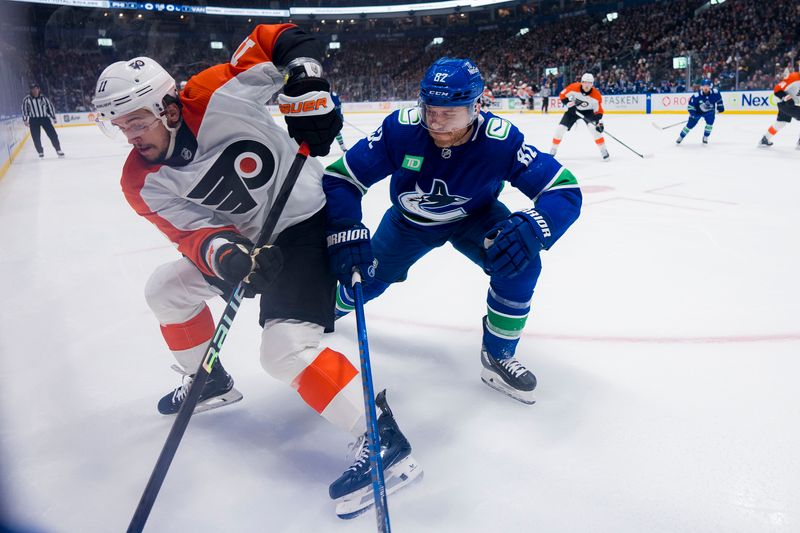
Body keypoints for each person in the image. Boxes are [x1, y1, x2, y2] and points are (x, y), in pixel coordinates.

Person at [91, 23, 420, 518]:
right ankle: (210, 381)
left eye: (136, 121)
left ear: (170, 108)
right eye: (121, 127)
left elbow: (276, 37)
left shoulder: (215, 91)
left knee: (284, 349)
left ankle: (381, 437)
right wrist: (226, 254)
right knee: (166, 290)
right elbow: (190, 234)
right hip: (246, 242)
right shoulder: (140, 181)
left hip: (305, 222)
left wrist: (306, 79)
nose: (130, 137)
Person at [322, 57, 582, 405]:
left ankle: (498, 354)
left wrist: (535, 227)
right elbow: (342, 178)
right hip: (408, 222)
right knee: (365, 278)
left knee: (521, 261)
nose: (436, 121)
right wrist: (346, 225)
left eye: (450, 112)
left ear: (477, 105)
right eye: (430, 109)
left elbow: (563, 188)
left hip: (475, 216)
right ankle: (331, 309)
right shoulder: (401, 129)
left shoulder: (500, 141)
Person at [550, 73, 609, 160]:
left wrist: (600, 123)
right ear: (581, 82)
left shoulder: (596, 95)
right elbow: (562, 95)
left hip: (588, 112)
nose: (587, 85)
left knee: (594, 130)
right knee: (560, 129)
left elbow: (598, 111)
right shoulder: (573, 87)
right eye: (585, 82)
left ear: (592, 84)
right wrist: (568, 104)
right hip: (573, 111)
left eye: (589, 83)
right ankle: (553, 149)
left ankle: (603, 150)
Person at [759, 68, 800, 149]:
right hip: (785, 103)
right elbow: (777, 90)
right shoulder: (793, 77)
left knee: (781, 122)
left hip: (789, 104)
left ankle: (765, 139)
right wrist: (787, 98)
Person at [675, 79, 725, 145]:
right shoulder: (696, 96)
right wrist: (692, 114)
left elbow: (719, 100)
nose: (705, 88)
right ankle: (681, 136)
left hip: (709, 112)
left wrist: (720, 107)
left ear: (710, 86)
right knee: (689, 126)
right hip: (697, 112)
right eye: (704, 86)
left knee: (710, 124)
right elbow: (690, 106)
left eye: (707, 86)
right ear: (701, 87)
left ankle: (705, 137)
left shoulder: (715, 93)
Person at [21, 83, 64, 158]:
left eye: (35, 89)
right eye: (32, 89)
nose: (34, 90)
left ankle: (58, 149)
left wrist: (53, 117)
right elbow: (24, 110)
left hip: (44, 119)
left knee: (53, 134)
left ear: (38, 89)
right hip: (33, 120)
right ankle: (40, 152)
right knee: (36, 137)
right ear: (31, 90)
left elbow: (50, 107)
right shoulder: (27, 99)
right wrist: (25, 119)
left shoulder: (44, 98)